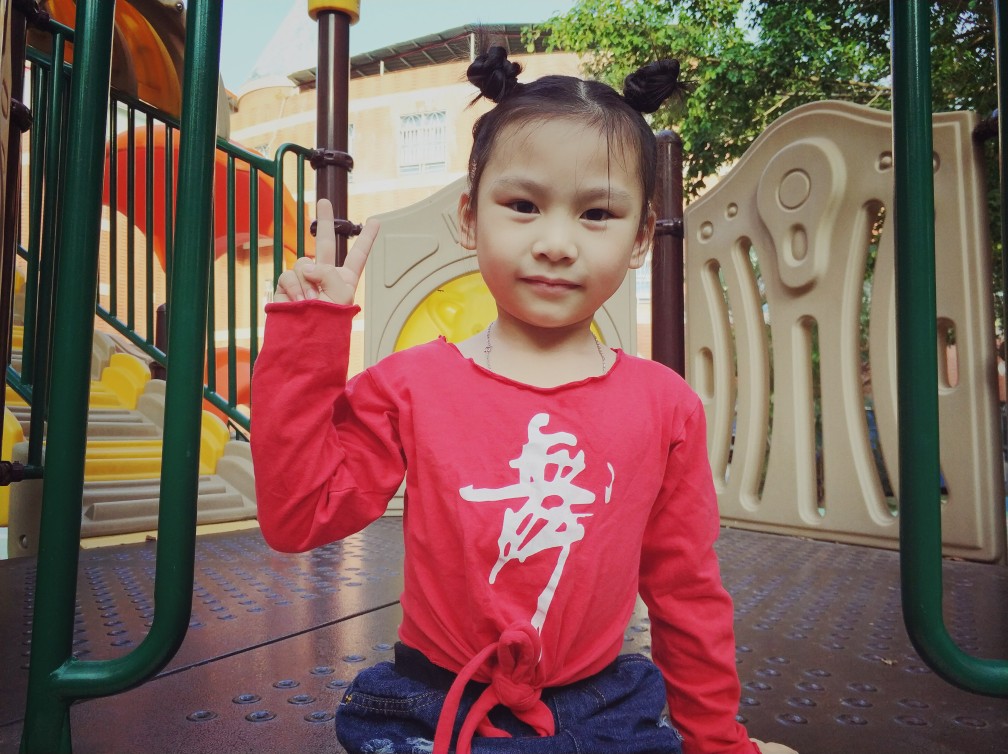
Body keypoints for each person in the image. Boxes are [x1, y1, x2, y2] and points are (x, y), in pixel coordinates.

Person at [251, 46, 798, 754]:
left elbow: (686, 593)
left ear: (640, 236)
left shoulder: (665, 406)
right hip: (436, 706)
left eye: (597, 213)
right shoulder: (411, 385)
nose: (556, 243)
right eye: (522, 206)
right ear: (470, 217)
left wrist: (717, 741)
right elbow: (298, 517)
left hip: (601, 705)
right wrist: (308, 336)